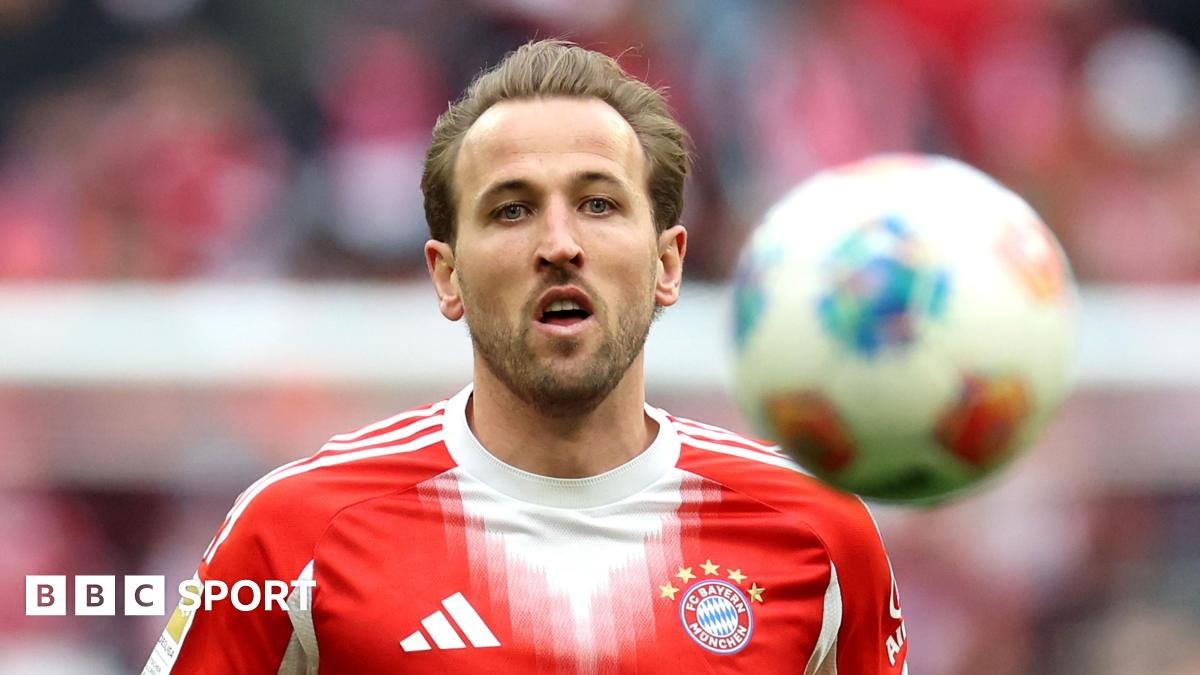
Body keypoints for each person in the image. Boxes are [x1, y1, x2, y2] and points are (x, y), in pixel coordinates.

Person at [144, 40, 909, 674]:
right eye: (512, 209)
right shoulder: (295, 531)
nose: (560, 244)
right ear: (447, 275)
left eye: (599, 203)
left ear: (668, 262)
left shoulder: (818, 532)